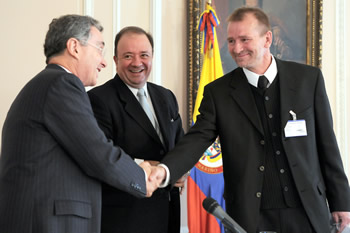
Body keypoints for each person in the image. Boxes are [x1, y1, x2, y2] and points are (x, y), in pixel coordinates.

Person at [153, 7, 350, 233]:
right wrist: (165, 170)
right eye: (231, 41)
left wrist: (341, 202)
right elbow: (197, 139)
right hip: (250, 216)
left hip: (307, 210)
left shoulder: (308, 79)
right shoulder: (218, 93)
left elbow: (327, 144)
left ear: (267, 38)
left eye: (244, 39)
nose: (237, 48)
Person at [0, 15, 160, 233]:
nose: (103, 62)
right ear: (74, 47)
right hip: (47, 222)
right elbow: (97, 152)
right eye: (99, 49)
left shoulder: (46, 84)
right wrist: (141, 177)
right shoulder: (61, 84)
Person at [88, 26, 185, 233]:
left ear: (152, 57)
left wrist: (180, 168)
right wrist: (146, 166)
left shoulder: (166, 97)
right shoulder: (98, 100)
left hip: (168, 216)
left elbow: (181, 145)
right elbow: (101, 160)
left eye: (144, 55)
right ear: (115, 60)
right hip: (127, 220)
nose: (137, 63)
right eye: (128, 56)